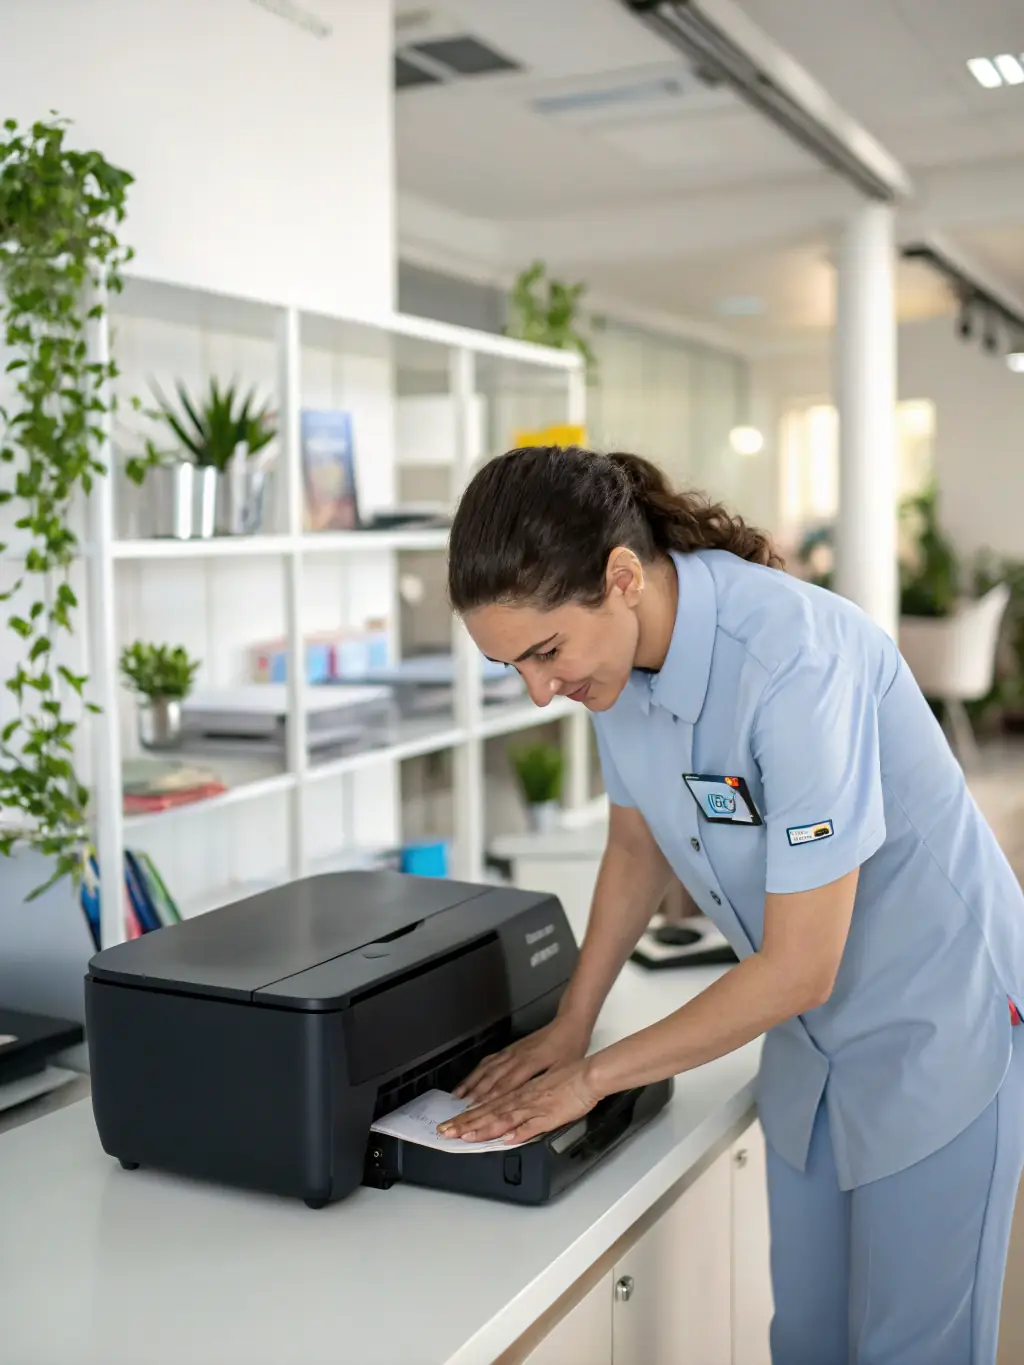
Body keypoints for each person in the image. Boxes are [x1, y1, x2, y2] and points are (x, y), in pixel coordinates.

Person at [438, 444, 1024, 1365]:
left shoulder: (794, 662)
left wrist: (591, 1080)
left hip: (936, 1020)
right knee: (808, 1342)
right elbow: (635, 846)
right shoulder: (614, 672)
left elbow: (800, 965)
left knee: (914, 1349)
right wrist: (571, 1024)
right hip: (809, 1045)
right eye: (512, 665)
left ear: (622, 578)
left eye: (546, 652)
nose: (541, 691)